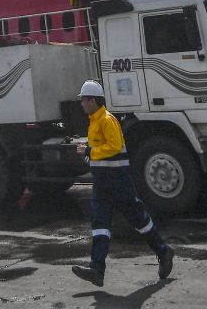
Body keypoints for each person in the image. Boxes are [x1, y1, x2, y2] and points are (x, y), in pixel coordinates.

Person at [71, 80, 174, 287]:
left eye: (83, 100)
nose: (81, 104)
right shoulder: (93, 122)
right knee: (100, 225)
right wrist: (87, 157)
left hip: (119, 182)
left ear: (92, 100)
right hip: (102, 184)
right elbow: (99, 153)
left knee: (140, 221)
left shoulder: (108, 120)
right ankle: (96, 269)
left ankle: (164, 252)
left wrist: (90, 152)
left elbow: (115, 147)